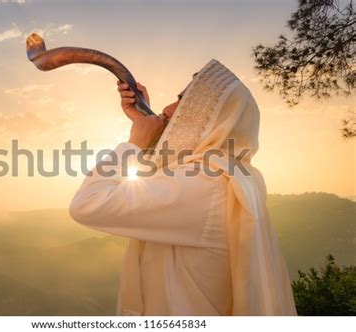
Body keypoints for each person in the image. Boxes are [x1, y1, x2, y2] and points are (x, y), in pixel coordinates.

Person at [69, 59, 297, 315]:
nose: (168, 108)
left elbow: (88, 204)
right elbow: (165, 177)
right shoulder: (231, 176)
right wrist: (146, 117)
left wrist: (133, 144)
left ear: (209, 116)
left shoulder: (207, 185)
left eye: (183, 98)